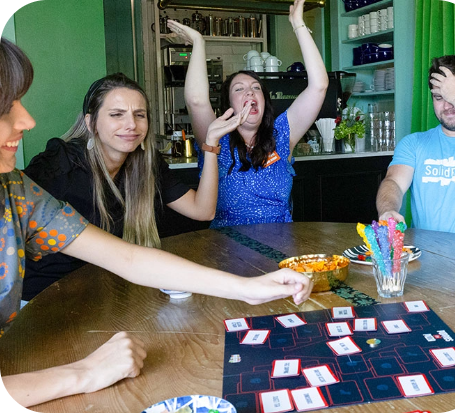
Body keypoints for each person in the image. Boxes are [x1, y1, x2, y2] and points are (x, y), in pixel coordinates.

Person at [0, 37, 312, 407]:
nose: (27, 120)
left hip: (97, 302)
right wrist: (83, 373)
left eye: (139, 114)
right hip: (43, 312)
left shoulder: (17, 191)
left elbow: (129, 258)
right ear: (90, 122)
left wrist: (250, 288)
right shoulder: (57, 167)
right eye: (6, 107)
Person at [21, 72, 221, 301]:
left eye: (139, 115)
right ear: (91, 122)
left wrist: (211, 144)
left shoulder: (146, 163)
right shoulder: (60, 163)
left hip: (103, 293)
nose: (131, 125)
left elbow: (203, 211)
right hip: (42, 298)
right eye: (117, 114)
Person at [167, 0, 329, 228]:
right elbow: (196, 101)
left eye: (256, 88)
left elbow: (319, 86)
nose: (250, 92)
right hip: (227, 247)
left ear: (264, 100)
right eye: (239, 89)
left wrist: (298, 25)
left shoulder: (282, 134)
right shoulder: (215, 139)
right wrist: (198, 43)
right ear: (228, 105)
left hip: (281, 244)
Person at [376, 54, 455, 237]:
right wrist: (388, 210)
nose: (448, 106)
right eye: (439, 97)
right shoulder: (413, 143)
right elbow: (393, 181)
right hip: (427, 259)